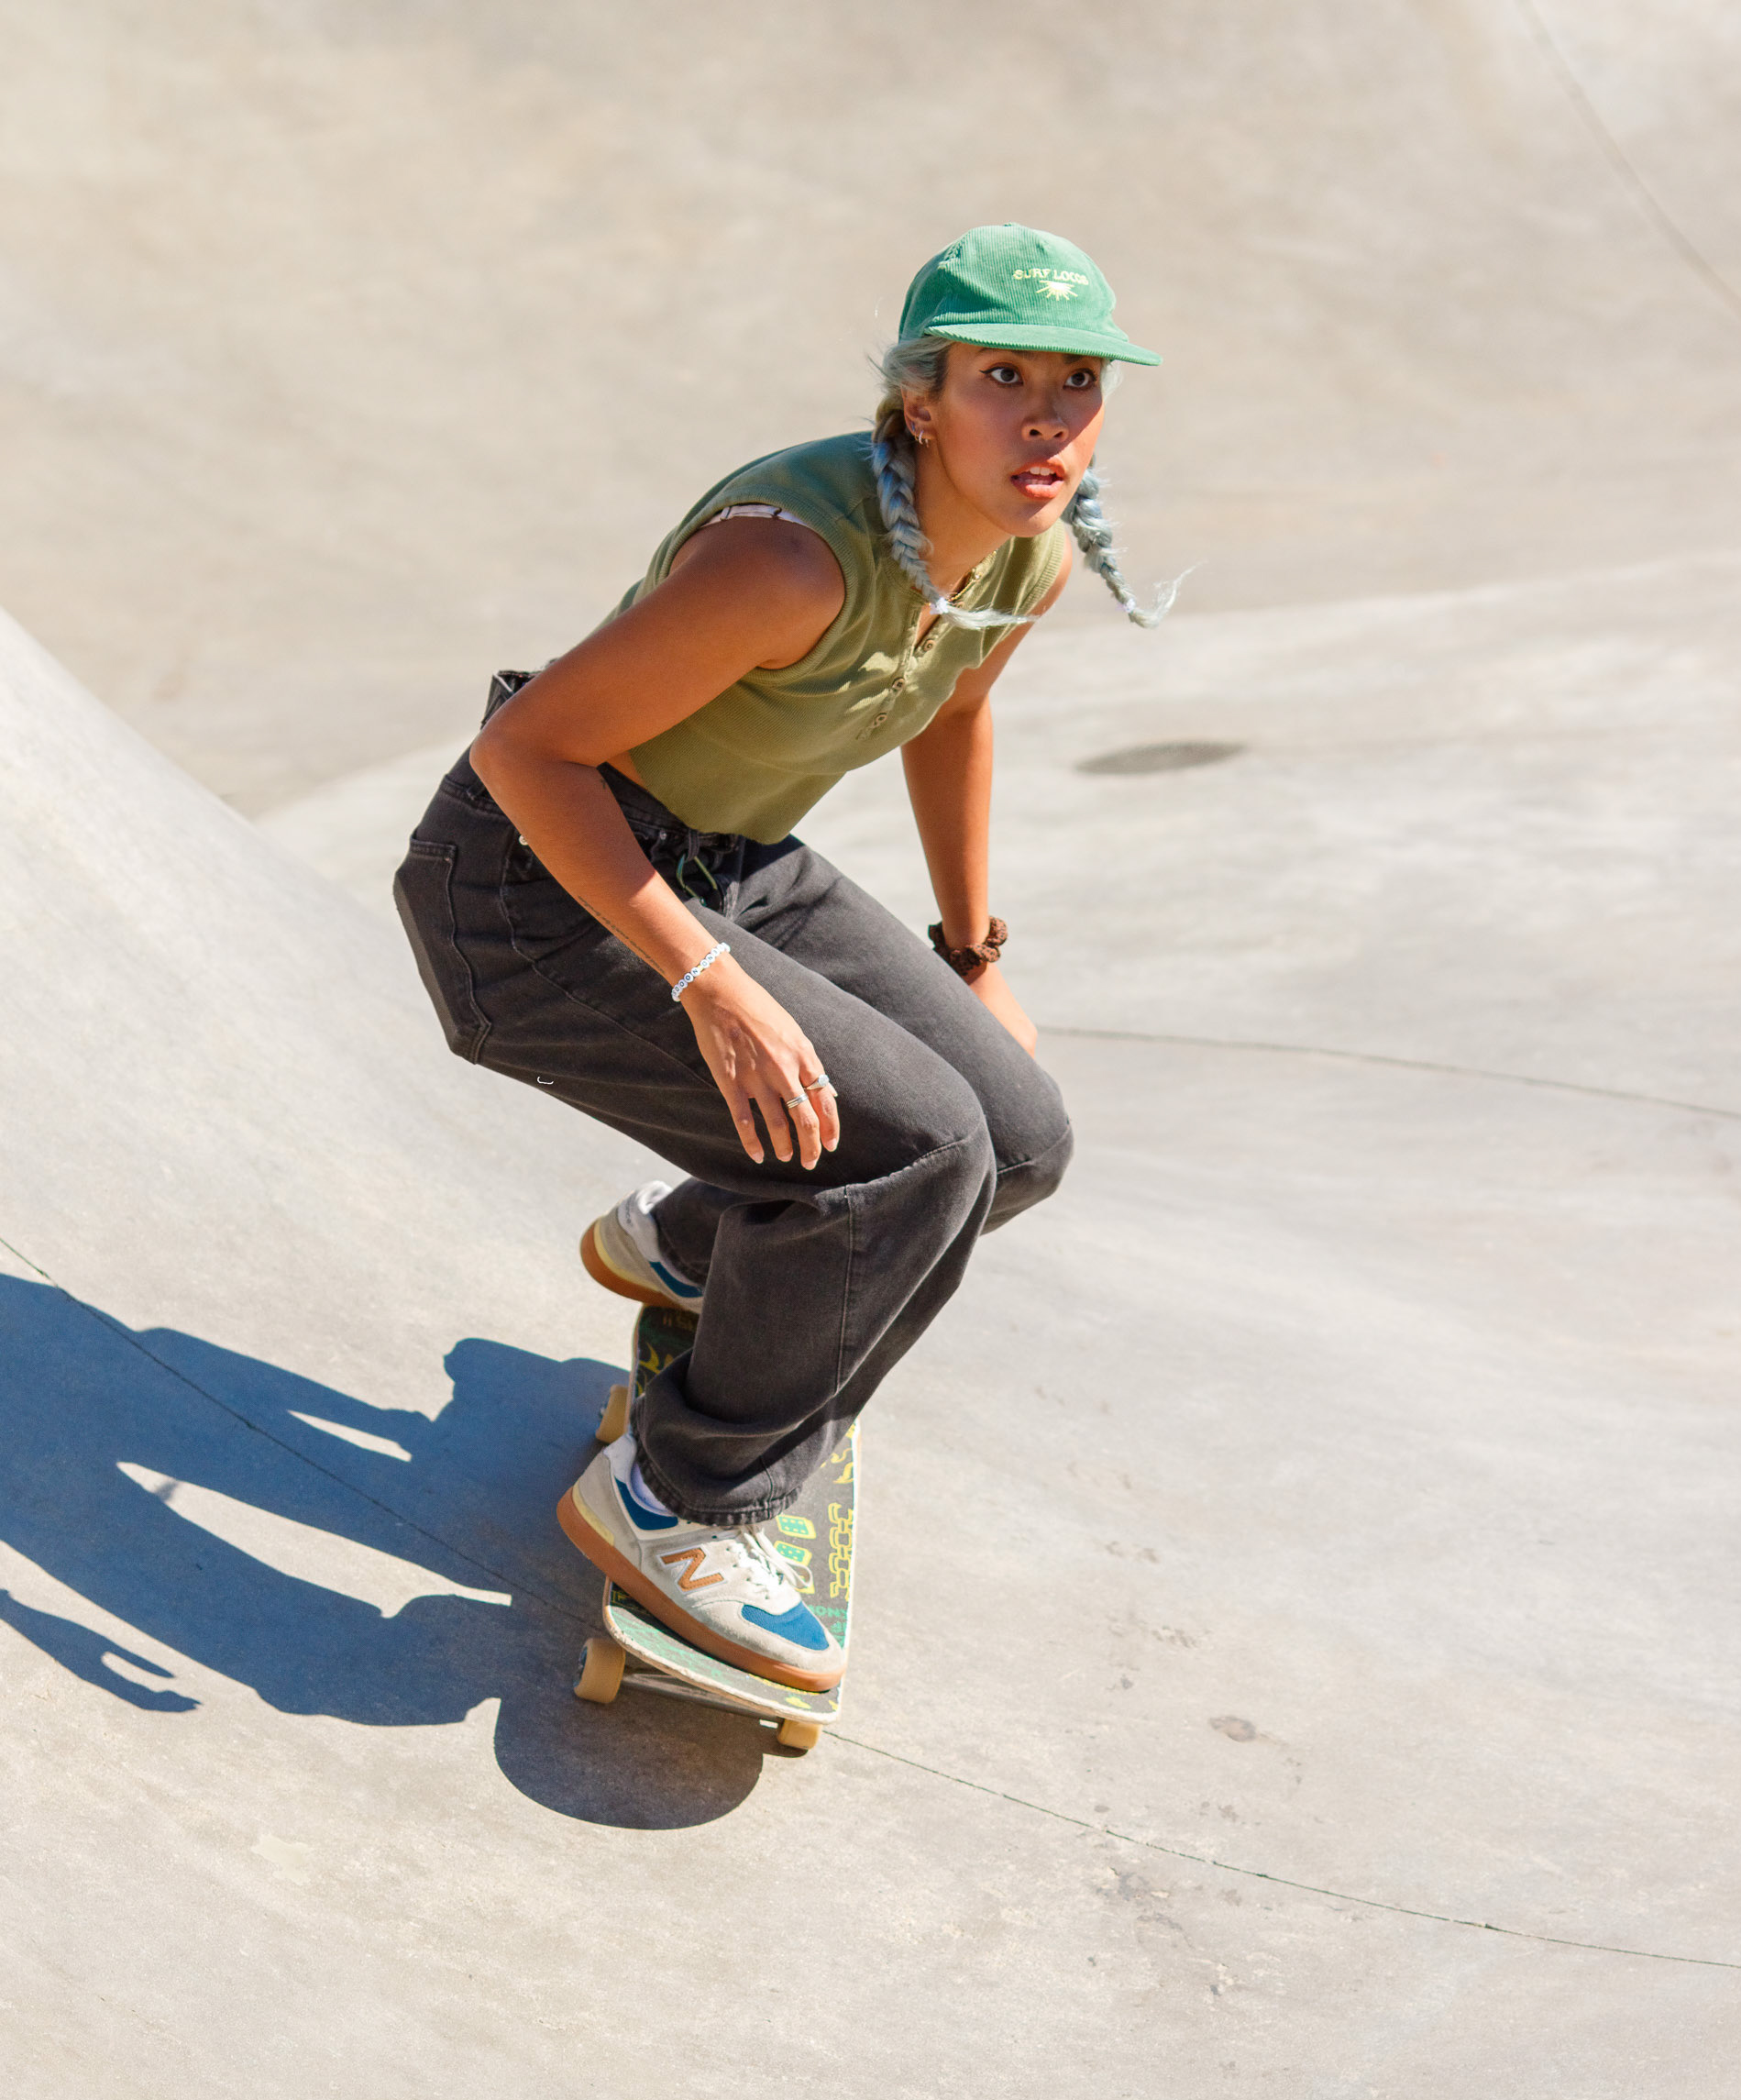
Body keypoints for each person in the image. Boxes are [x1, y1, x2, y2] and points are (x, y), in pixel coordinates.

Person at [394, 224, 1166, 1696]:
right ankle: (679, 1499)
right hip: (528, 888)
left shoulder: (1028, 556)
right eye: (1004, 376)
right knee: (914, 1154)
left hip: (727, 856)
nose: (1049, 416)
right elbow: (524, 751)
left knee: (1019, 1135)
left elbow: (949, 717)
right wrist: (712, 984)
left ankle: (697, 1246)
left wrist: (972, 949)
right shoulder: (791, 561)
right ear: (922, 401)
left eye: (1079, 382)